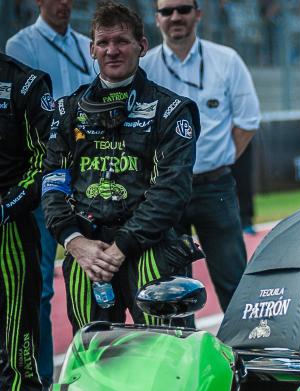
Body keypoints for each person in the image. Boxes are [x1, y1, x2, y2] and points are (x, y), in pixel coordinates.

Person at [41, 1, 202, 333]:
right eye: (103, 42)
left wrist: (121, 248)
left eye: (121, 41)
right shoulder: (68, 110)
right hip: (88, 253)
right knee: (92, 355)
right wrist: (73, 241)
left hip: (151, 250)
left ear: (141, 46)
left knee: (165, 350)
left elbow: (172, 191)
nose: (111, 50)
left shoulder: (170, 109)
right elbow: (52, 183)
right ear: (92, 49)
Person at [142, 0, 260, 312]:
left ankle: (243, 342)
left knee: (235, 283)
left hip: (215, 187)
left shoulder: (226, 60)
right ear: (157, 18)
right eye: (167, 11)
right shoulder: (145, 66)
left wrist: (218, 160)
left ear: (198, 14)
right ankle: (182, 346)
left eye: (183, 9)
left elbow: (248, 122)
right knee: (171, 290)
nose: (175, 16)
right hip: (164, 191)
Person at [6, 0, 99, 388]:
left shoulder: (83, 43)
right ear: (39, 2)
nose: (63, 4)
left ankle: (92, 376)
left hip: (88, 173)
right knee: (40, 286)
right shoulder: (21, 45)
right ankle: (43, 379)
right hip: (47, 174)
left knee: (95, 276)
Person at [0, 54, 52, 391]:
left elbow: (47, 161)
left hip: (10, 236)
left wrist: (7, 205)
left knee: (16, 350)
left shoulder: (25, 82)